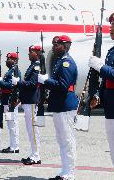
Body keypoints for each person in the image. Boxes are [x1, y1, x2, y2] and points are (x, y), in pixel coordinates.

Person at [38, 35, 78, 180]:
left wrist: (46, 81)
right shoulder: (60, 62)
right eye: (54, 44)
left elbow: (62, 86)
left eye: (56, 44)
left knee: (68, 140)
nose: (54, 47)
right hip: (59, 105)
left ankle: (70, 173)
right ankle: (65, 170)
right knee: (62, 140)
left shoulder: (67, 63)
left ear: (65, 45)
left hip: (66, 106)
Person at [88, 11, 114, 180]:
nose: (110, 28)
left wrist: (102, 67)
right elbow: (105, 79)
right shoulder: (113, 50)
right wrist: (98, 96)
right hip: (111, 107)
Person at [16, 45, 42, 165]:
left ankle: (36, 156)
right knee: (30, 129)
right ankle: (33, 153)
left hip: (31, 101)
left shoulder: (37, 66)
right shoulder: (32, 65)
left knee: (33, 129)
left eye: (30, 52)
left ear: (36, 53)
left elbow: (32, 84)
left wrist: (18, 82)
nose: (28, 54)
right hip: (27, 101)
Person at [0, 52, 21, 153]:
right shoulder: (10, 70)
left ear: (14, 60)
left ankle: (15, 147)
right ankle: (12, 145)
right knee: (10, 124)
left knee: (13, 124)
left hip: (11, 100)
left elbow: (11, 85)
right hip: (7, 100)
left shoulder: (15, 71)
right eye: (7, 58)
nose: (7, 60)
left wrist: (0, 82)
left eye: (9, 59)